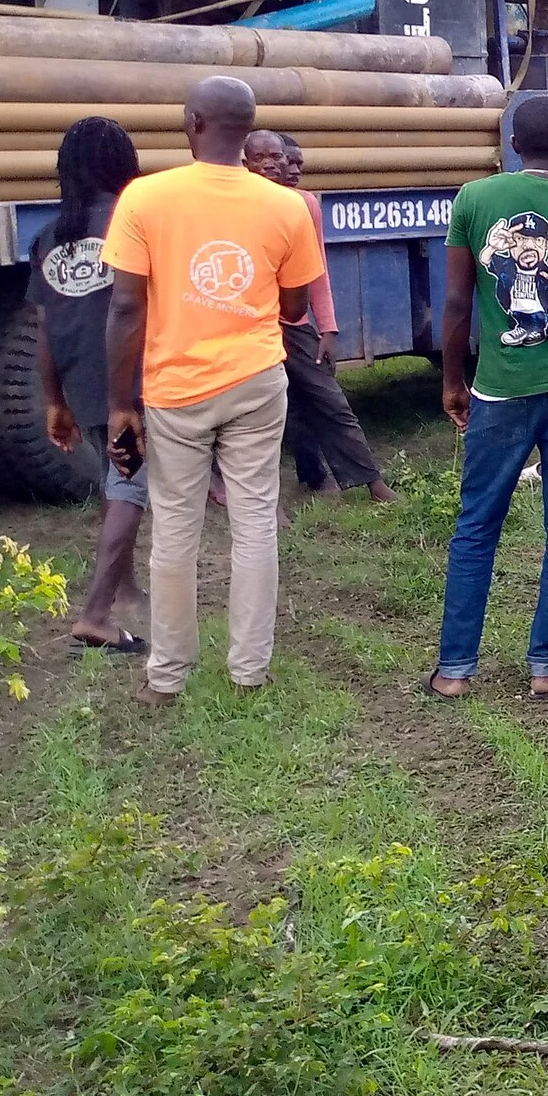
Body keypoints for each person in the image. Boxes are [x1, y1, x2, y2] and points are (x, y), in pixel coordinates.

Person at [103, 75, 326, 704]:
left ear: (193, 122)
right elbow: (295, 305)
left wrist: (123, 404)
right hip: (256, 379)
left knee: (174, 529)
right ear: (247, 129)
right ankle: (249, 670)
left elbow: (125, 309)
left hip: (176, 387)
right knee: (256, 520)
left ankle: (166, 677)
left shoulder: (145, 197)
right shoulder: (285, 206)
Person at [428, 94, 548, 701]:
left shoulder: (474, 200)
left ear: (513, 143)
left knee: (477, 524)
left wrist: (452, 380)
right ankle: (546, 662)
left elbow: (458, 304)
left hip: (500, 388)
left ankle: (455, 670)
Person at [31, 116, 147, 654]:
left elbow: (45, 325)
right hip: (136, 377)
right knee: (132, 484)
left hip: (81, 377)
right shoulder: (136, 221)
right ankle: (97, 613)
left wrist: (55, 398)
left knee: (114, 477)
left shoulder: (50, 237)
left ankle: (122, 584)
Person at [241, 130, 397, 504]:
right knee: (258, 412)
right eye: (261, 157)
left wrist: (327, 326)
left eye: (278, 156)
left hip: (292, 325)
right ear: (245, 163)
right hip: (244, 325)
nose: (272, 164)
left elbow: (317, 271)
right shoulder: (230, 205)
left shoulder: (303, 205)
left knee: (329, 400)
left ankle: (371, 481)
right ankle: (304, 479)